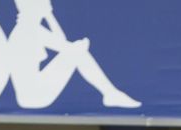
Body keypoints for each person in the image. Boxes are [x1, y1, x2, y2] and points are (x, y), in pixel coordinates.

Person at [7, 0, 140, 109]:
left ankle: (111, 93)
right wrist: (80, 46)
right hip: (34, 96)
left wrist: (49, 15)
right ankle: (110, 93)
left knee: (77, 51)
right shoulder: (29, 31)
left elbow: (61, 41)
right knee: (78, 52)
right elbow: (66, 47)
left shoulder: (31, 28)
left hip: (31, 95)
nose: (48, 3)